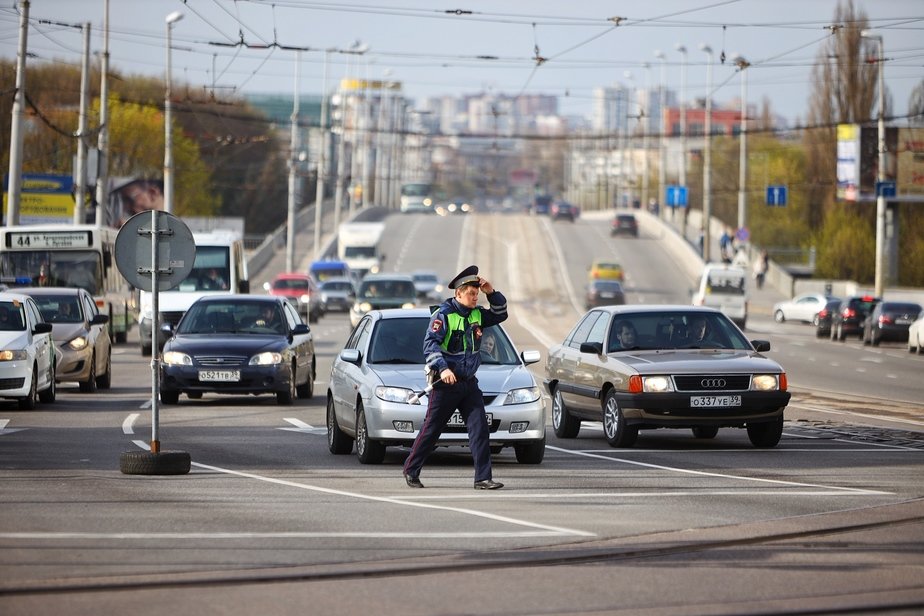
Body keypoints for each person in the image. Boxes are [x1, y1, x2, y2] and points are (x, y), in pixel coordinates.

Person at [402, 265, 507, 490]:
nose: (475, 297)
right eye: (471, 293)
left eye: (477, 293)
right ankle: (411, 469)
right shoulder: (443, 315)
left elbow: (501, 313)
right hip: (446, 384)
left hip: (469, 384)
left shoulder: (477, 314)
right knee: (431, 430)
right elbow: (430, 345)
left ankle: (482, 478)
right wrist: (443, 369)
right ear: (458, 293)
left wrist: (492, 292)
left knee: (480, 429)